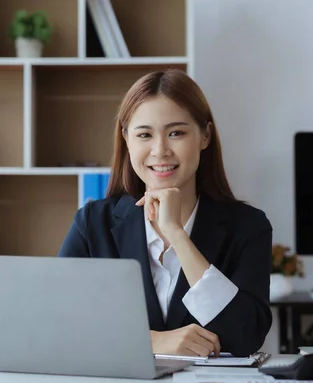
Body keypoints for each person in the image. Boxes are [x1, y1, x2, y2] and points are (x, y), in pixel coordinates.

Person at [58, 68, 272, 358]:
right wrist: (151, 342)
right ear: (126, 139)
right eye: (144, 134)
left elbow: (247, 335)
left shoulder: (247, 226)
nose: (160, 150)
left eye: (176, 133)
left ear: (205, 135)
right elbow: (60, 326)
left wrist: (176, 234)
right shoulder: (92, 223)